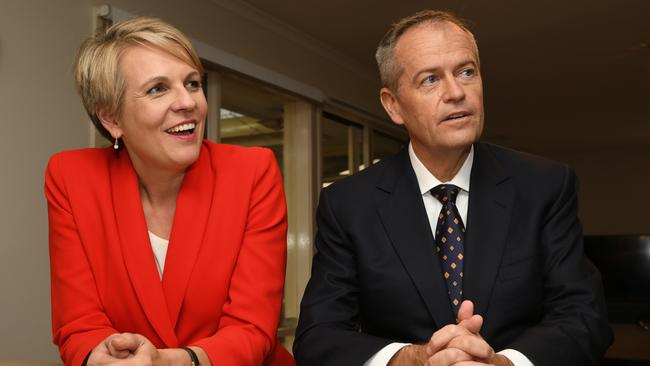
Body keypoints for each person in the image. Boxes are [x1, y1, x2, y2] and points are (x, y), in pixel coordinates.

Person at [294, 10, 612, 366]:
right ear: (393, 105)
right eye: (430, 79)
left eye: (466, 72)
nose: (456, 92)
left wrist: (504, 364)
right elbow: (317, 336)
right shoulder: (349, 205)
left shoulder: (545, 186)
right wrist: (413, 359)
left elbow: (585, 317)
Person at [45, 17, 294, 366]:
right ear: (112, 119)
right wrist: (100, 357)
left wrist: (175, 361)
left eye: (192, 83)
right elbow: (79, 323)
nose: (188, 102)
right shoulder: (70, 177)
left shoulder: (252, 172)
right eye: (157, 89)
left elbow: (252, 326)